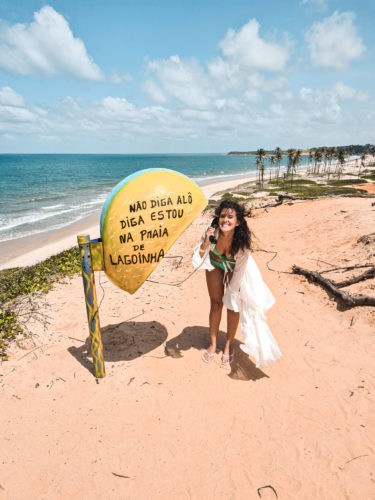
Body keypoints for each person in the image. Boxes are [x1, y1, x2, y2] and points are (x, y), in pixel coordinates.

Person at [192, 200, 282, 368]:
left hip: (237, 268)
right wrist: (206, 241)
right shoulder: (211, 232)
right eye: (222, 216)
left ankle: (228, 344)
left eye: (230, 217)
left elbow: (239, 272)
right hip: (215, 263)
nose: (225, 220)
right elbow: (199, 255)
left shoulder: (242, 244)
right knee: (216, 303)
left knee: (233, 305)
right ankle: (212, 344)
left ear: (238, 221)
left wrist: (232, 293)